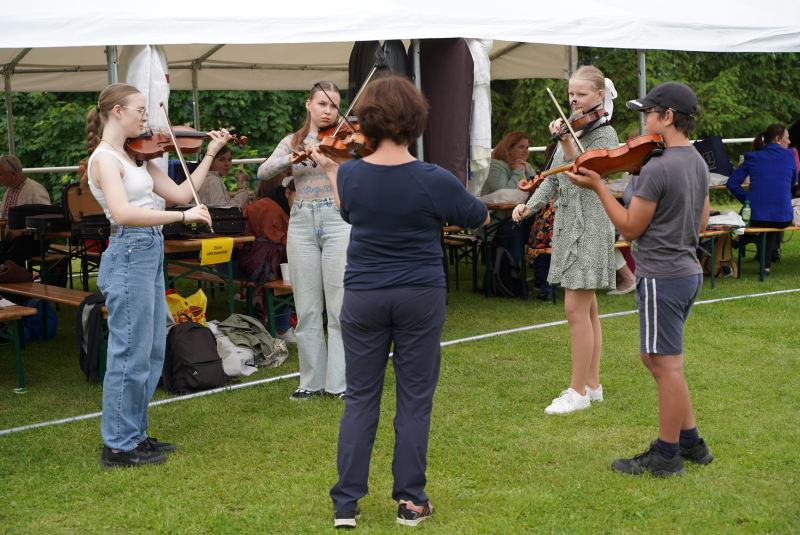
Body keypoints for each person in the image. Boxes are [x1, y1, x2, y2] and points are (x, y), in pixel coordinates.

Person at [313, 76, 489, 529]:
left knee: (361, 399)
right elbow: (478, 216)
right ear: (415, 121)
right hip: (419, 295)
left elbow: (349, 210)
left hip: (365, 295)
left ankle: (346, 504)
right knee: (413, 399)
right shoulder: (433, 178)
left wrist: (334, 173)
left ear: (367, 119)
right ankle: (410, 501)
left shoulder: (350, 172)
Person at [566, 81, 713, 477]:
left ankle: (667, 456)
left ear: (667, 117)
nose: (643, 120)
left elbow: (629, 230)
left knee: (665, 365)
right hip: (687, 272)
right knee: (659, 360)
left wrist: (598, 185)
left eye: (647, 113)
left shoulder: (657, 166)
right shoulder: (696, 160)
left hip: (662, 277)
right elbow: (700, 222)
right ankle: (690, 442)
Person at [81, 83, 230, 468]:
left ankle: (135, 434)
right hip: (129, 247)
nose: (146, 119)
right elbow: (125, 212)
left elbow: (182, 193)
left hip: (148, 249)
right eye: (141, 111)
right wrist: (183, 219)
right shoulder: (105, 160)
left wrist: (210, 153)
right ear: (117, 112)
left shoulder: (137, 156)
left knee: (150, 350)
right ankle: (117, 446)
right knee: (129, 351)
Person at [512, 65, 619, 414]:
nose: (574, 101)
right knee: (587, 310)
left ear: (600, 96)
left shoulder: (605, 135)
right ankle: (592, 386)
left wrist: (565, 140)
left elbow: (581, 172)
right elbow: (555, 179)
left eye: (582, 94)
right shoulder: (570, 131)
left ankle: (577, 392)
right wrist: (528, 207)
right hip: (569, 225)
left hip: (590, 227)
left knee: (575, 308)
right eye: (571, 94)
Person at [257, 81, 350, 400]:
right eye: (323, 104)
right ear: (309, 105)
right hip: (301, 220)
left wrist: (334, 161)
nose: (329, 111)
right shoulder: (291, 141)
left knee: (339, 306)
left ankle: (339, 383)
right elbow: (262, 171)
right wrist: (293, 157)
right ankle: (311, 381)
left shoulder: (345, 139)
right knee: (307, 306)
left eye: (335, 106)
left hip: (337, 219)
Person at [727, 124, 798, 274]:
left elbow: (732, 183)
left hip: (756, 217)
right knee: (773, 219)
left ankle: (739, 241)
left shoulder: (753, 156)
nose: (790, 142)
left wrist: (748, 200)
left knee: (761, 214)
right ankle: (765, 267)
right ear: (778, 139)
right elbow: (793, 182)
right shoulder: (790, 155)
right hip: (782, 218)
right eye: (787, 138)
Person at [241, 177, 297, 342]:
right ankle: (282, 329)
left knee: (287, 275)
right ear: (287, 192)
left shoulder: (277, 203)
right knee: (283, 279)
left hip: (257, 259)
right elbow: (272, 247)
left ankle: (285, 325)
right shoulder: (273, 209)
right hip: (252, 262)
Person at [480, 131, 535, 264]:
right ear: (509, 148)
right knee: (513, 235)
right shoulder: (496, 165)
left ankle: (541, 280)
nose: (526, 151)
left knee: (539, 227)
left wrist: (528, 172)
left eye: (527, 147)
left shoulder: (523, 166)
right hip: (491, 222)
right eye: (521, 147)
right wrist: (519, 171)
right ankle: (511, 280)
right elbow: (506, 195)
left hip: (513, 218)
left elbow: (538, 187)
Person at [0, 154, 52, 266]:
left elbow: (46, 220)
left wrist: (21, 231)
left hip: (35, 240)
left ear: (13, 174)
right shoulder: (8, 191)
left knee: (11, 256)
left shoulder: (34, 189)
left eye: (1, 175)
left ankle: (19, 280)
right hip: (15, 241)